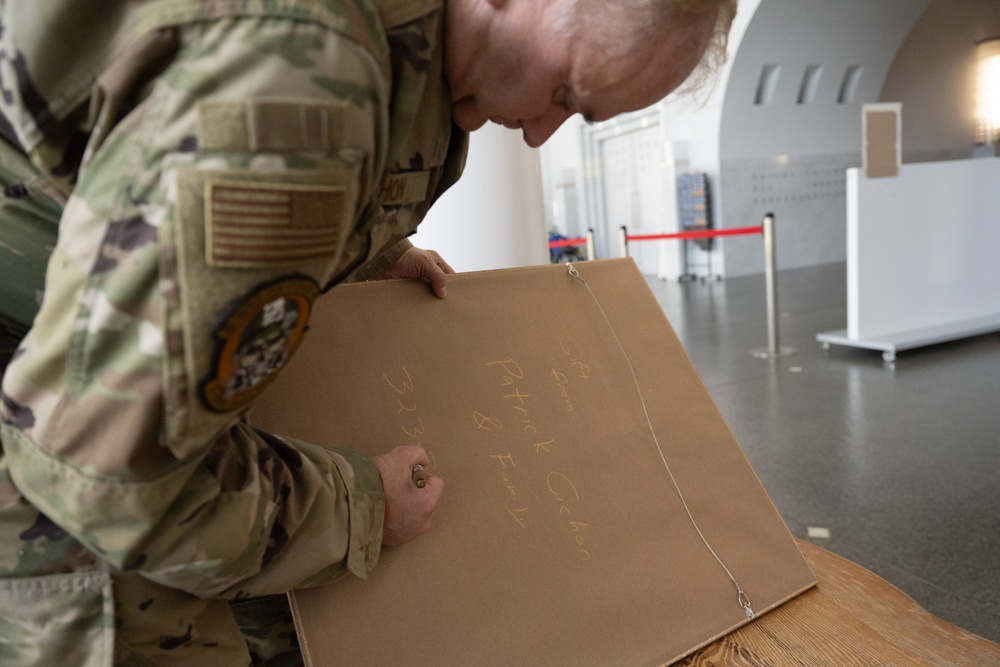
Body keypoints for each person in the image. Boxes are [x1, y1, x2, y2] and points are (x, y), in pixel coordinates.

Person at [0, 0, 736, 664]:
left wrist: (350, 248)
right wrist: (363, 506)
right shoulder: (303, 85)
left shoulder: (420, 66)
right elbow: (104, 476)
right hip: (56, 484)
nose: (542, 133)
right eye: (564, 94)